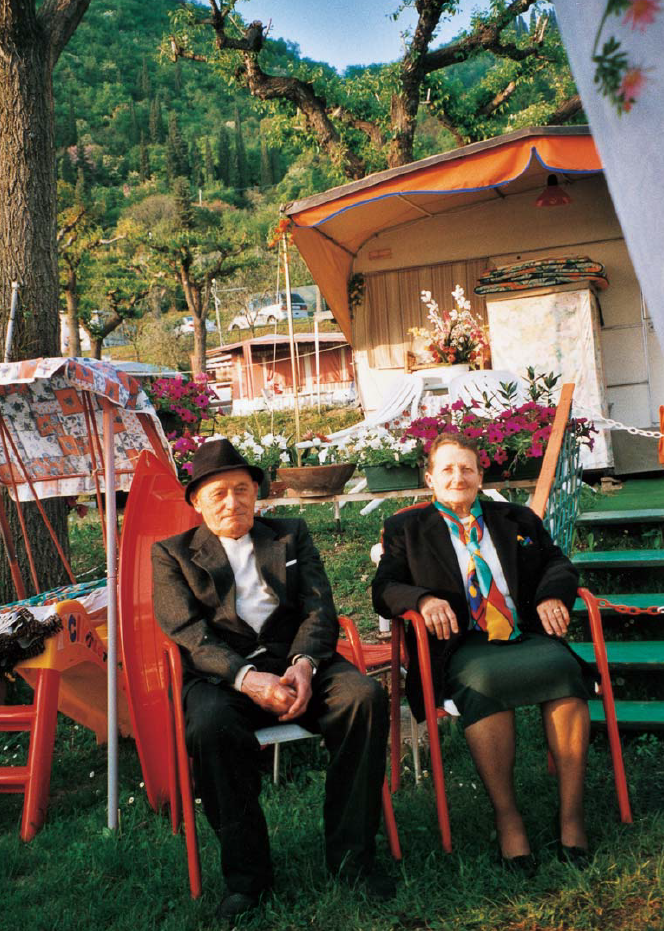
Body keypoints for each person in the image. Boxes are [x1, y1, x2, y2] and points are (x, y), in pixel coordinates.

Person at [152, 439, 392, 922]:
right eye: (218, 494)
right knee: (209, 728)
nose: (232, 502)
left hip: (298, 660)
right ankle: (247, 878)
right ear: (196, 502)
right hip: (223, 675)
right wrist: (247, 679)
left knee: (363, 698)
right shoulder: (172, 554)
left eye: (242, 490)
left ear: (257, 494)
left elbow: (319, 607)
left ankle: (352, 859)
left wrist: (303, 664)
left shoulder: (289, 534)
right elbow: (188, 633)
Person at [372, 433, 594, 874]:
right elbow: (385, 589)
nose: (459, 476)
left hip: (522, 634)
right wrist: (421, 600)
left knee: (564, 671)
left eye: (467, 468)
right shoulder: (407, 529)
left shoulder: (515, 518)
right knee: (486, 683)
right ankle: (508, 817)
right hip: (461, 644)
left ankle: (571, 816)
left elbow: (557, 562)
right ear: (430, 478)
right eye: (448, 469)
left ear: (480, 475)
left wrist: (552, 595)